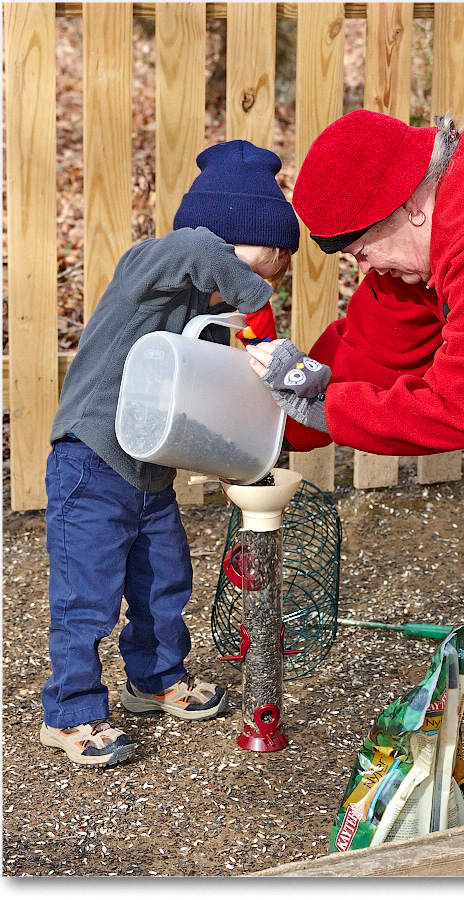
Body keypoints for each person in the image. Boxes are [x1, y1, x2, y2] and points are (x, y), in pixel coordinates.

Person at [246, 110, 464, 766]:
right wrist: (273, 422)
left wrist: (327, 407)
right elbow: (372, 351)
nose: (362, 265)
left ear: (412, 209)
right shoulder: (429, 231)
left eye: (363, 249)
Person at [40, 140, 300, 767]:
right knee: (86, 598)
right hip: (89, 462)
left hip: (146, 472)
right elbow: (195, 247)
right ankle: (71, 712)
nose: (273, 277)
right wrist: (259, 305)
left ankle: (154, 680)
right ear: (230, 236)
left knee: (163, 580)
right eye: (271, 260)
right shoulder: (152, 268)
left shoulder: (198, 310)